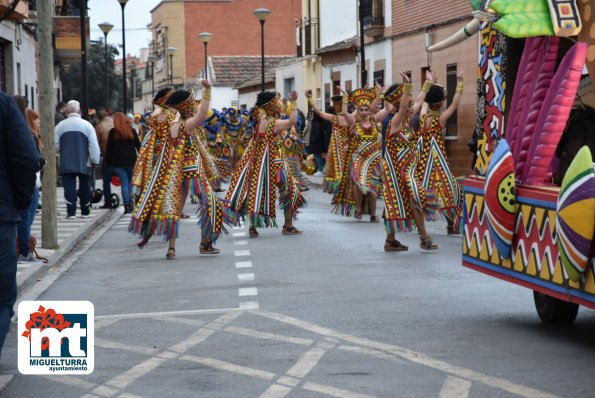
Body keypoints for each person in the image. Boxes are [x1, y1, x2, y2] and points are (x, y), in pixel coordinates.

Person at [165, 86, 237, 256]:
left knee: (175, 209)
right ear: (187, 107)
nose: (195, 107)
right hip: (193, 171)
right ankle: (205, 244)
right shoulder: (187, 125)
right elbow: (202, 114)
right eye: (191, 104)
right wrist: (207, 92)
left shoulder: (174, 125)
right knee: (211, 206)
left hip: (177, 171)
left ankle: (171, 248)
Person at [225, 91, 306, 237]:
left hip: (260, 164)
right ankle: (288, 225)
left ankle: (253, 227)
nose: (280, 105)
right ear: (273, 106)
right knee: (289, 191)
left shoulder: (261, 120)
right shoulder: (273, 123)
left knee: (257, 193)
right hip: (275, 163)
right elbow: (292, 121)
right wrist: (294, 102)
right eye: (277, 103)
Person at [0, 92, 40, 359]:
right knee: (2, 299)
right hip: (1, 213)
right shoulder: (3, 104)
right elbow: (28, 158)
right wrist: (20, 199)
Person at [381, 71, 439, 251]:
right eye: (408, 106)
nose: (412, 107)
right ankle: (425, 238)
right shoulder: (395, 123)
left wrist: (427, 84)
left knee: (398, 205)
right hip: (397, 174)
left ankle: (390, 241)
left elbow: (420, 101)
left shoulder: (406, 123)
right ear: (401, 107)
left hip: (408, 172)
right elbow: (404, 105)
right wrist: (407, 86)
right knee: (413, 200)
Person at [417, 69, 464, 234]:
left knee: (424, 190)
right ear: (441, 103)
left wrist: (429, 83)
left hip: (423, 163)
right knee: (450, 190)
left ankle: (420, 225)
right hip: (438, 163)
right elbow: (455, 104)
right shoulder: (440, 119)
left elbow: (423, 103)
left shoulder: (423, 117)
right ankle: (451, 225)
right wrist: (460, 82)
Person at [348, 87, 393, 222]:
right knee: (358, 181)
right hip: (359, 158)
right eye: (361, 110)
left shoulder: (374, 120)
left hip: (373, 158)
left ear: (369, 110)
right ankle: (358, 209)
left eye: (366, 109)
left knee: (373, 185)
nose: (363, 112)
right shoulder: (353, 122)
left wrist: (384, 95)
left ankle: (373, 214)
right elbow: (344, 114)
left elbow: (388, 109)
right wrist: (346, 99)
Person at [55, 100, 101, 219]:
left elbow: (55, 145)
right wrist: (95, 160)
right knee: (85, 185)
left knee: (69, 186)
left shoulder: (60, 126)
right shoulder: (87, 125)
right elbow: (93, 145)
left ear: (67, 111)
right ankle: (85, 211)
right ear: (79, 110)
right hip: (84, 161)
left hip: (66, 160)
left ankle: (71, 212)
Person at [17, 109, 46, 263]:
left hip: (31, 181)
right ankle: (23, 251)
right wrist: (41, 162)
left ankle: (22, 248)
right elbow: (32, 159)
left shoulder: (30, 136)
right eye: (36, 119)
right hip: (30, 181)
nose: (39, 122)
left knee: (27, 218)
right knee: (26, 218)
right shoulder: (30, 136)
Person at [105, 112, 141, 214]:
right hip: (131, 161)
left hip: (117, 163)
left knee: (124, 183)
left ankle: (126, 205)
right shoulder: (131, 130)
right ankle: (130, 203)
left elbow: (109, 149)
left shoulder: (113, 132)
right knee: (129, 183)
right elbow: (138, 145)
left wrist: (108, 163)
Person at [94, 109, 115, 209]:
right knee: (125, 180)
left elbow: (97, 144)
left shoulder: (99, 127)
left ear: (98, 117)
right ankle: (129, 200)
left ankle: (108, 201)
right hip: (120, 155)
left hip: (107, 155)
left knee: (106, 180)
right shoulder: (114, 122)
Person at [307, 108, 333, 177]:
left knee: (318, 157)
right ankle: (322, 170)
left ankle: (321, 170)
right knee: (319, 157)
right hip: (318, 144)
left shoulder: (316, 122)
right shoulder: (321, 121)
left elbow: (316, 134)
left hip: (316, 144)